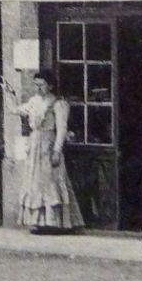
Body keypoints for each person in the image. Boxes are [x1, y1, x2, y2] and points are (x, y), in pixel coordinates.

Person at [14, 71, 84, 233]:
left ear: (50, 85)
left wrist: (57, 151)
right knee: (36, 182)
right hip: (35, 146)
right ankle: (39, 222)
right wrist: (8, 94)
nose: (38, 88)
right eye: (36, 84)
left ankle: (55, 222)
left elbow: (61, 130)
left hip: (48, 145)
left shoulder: (58, 104)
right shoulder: (34, 102)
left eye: (42, 84)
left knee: (51, 181)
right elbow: (16, 110)